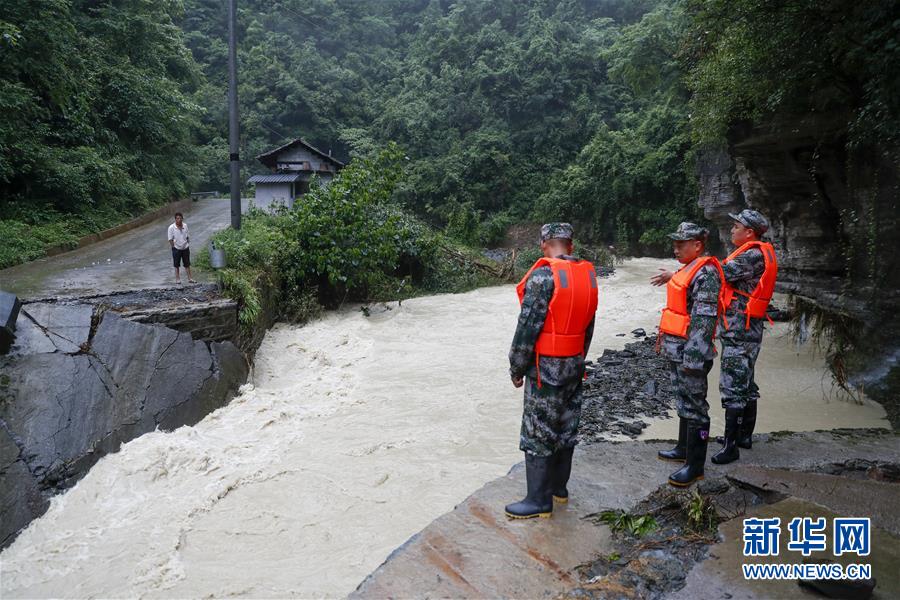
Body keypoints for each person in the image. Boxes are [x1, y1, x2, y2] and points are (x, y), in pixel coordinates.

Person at [506, 223, 598, 519]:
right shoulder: (587, 275)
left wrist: (516, 366)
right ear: (570, 245)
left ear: (544, 244)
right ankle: (559, 489)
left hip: (545, 369)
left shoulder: (543, 275)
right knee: (566, 427)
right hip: (574, 364)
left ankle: (538, 501)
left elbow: (527, 327)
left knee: (538, 431)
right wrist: (579, 357)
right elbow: (589, 324)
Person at [650, 222, 723, 487]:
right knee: (683, 401)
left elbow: (704, 322)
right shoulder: (689, 269)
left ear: (697, 245)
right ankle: (683, 449)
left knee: (695, 408)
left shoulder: (707, 275)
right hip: (677, 350)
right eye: (675, 244)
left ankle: (695, 466)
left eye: (681, 244)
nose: (676, 248)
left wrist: (693, 360)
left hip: (690, 355)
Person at [710, 209, 777, 464]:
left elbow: (718, 274)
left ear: (749, 232)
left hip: (740, 331)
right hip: (748, 329)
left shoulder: (751, 256)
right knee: (745, 382)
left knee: (733, 386)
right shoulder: (757, 253)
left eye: (736, 226)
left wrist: (682, 272)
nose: (732, 229)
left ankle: (731, 447)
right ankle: (743, 436)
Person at [167, 212, 195, 285]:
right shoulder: (171, 227)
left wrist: (187, 243)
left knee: (187, 264)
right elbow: (170, 239)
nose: (179, 220)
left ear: (182, 219)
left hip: (185, 247)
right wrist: (173, 246)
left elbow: (187, 236)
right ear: (175, 219)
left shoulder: (185, 225)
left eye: (180, 218)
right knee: (176, 264)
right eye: (177, 218)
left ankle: (190, 278)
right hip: (176, 248)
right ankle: (178, 279)